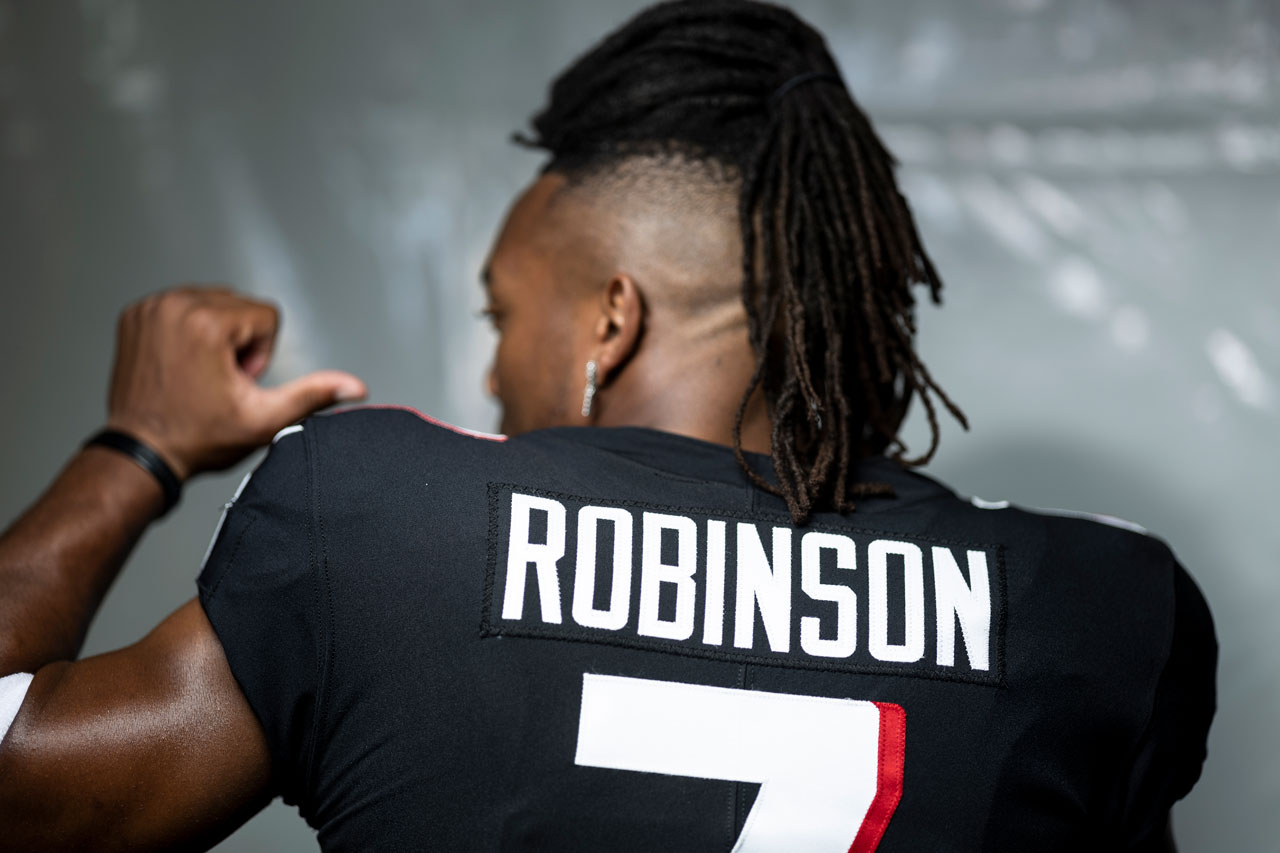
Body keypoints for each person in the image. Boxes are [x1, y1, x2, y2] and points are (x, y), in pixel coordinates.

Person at [0, 1, 1215, 850]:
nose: (489, 373)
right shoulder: (1103, 606)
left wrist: (136, 446)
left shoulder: (381, 524)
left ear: (608, 322)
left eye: (501, 313)